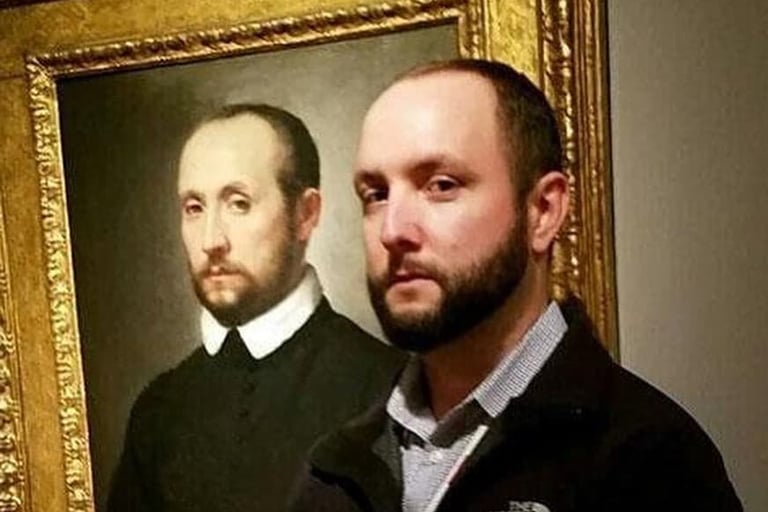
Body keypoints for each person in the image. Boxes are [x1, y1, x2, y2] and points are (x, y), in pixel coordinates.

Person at [289, 60, 742, 512]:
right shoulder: (334, 469)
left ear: (542, 212)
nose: (392, 230)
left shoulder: (649, 463)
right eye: (376, 194)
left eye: (442, 186)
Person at [107, 104, 403, 512]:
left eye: (239, 203)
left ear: (305, 214)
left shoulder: (389, 388)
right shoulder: (158, 409)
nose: (211, 240)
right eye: (194, 208)